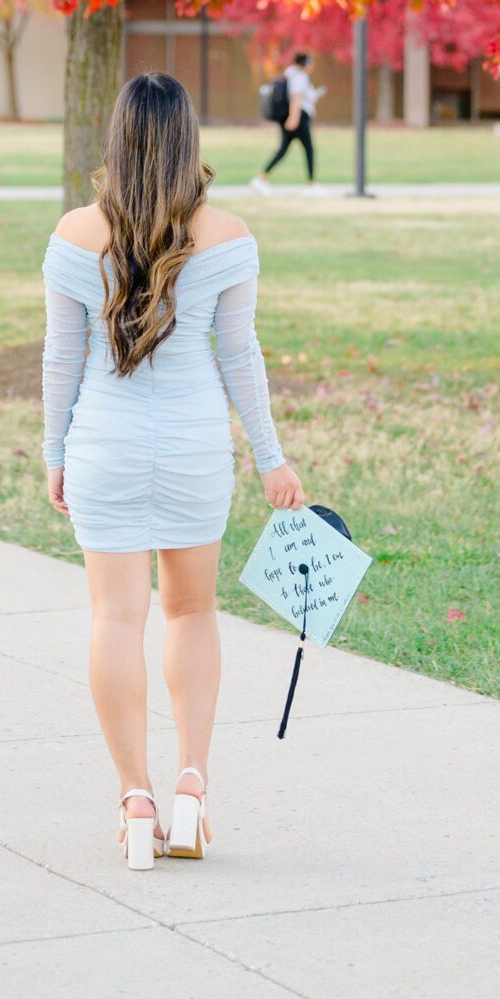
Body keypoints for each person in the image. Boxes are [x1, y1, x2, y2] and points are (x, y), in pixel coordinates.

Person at [41, 73, 305, 869]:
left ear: (116, 139)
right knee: (190, 613)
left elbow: (63, 356)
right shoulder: (228, 234)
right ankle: (192, 788)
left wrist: (54, 453)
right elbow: (240, 357)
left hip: (104, 448)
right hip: (194, 450)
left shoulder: (73, 234)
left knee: (115, 619)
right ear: (189, 140)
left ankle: (134, 803)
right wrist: (271, 458)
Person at [250, 49, 321, 193]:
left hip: (292, 117)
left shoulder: (290, 74)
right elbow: (296, 98)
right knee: (308, 149)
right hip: (298, 118)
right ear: (306, 63)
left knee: (283, 150)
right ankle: (311, 184)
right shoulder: (300, 77)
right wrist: (294, 119)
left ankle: (261, 178)